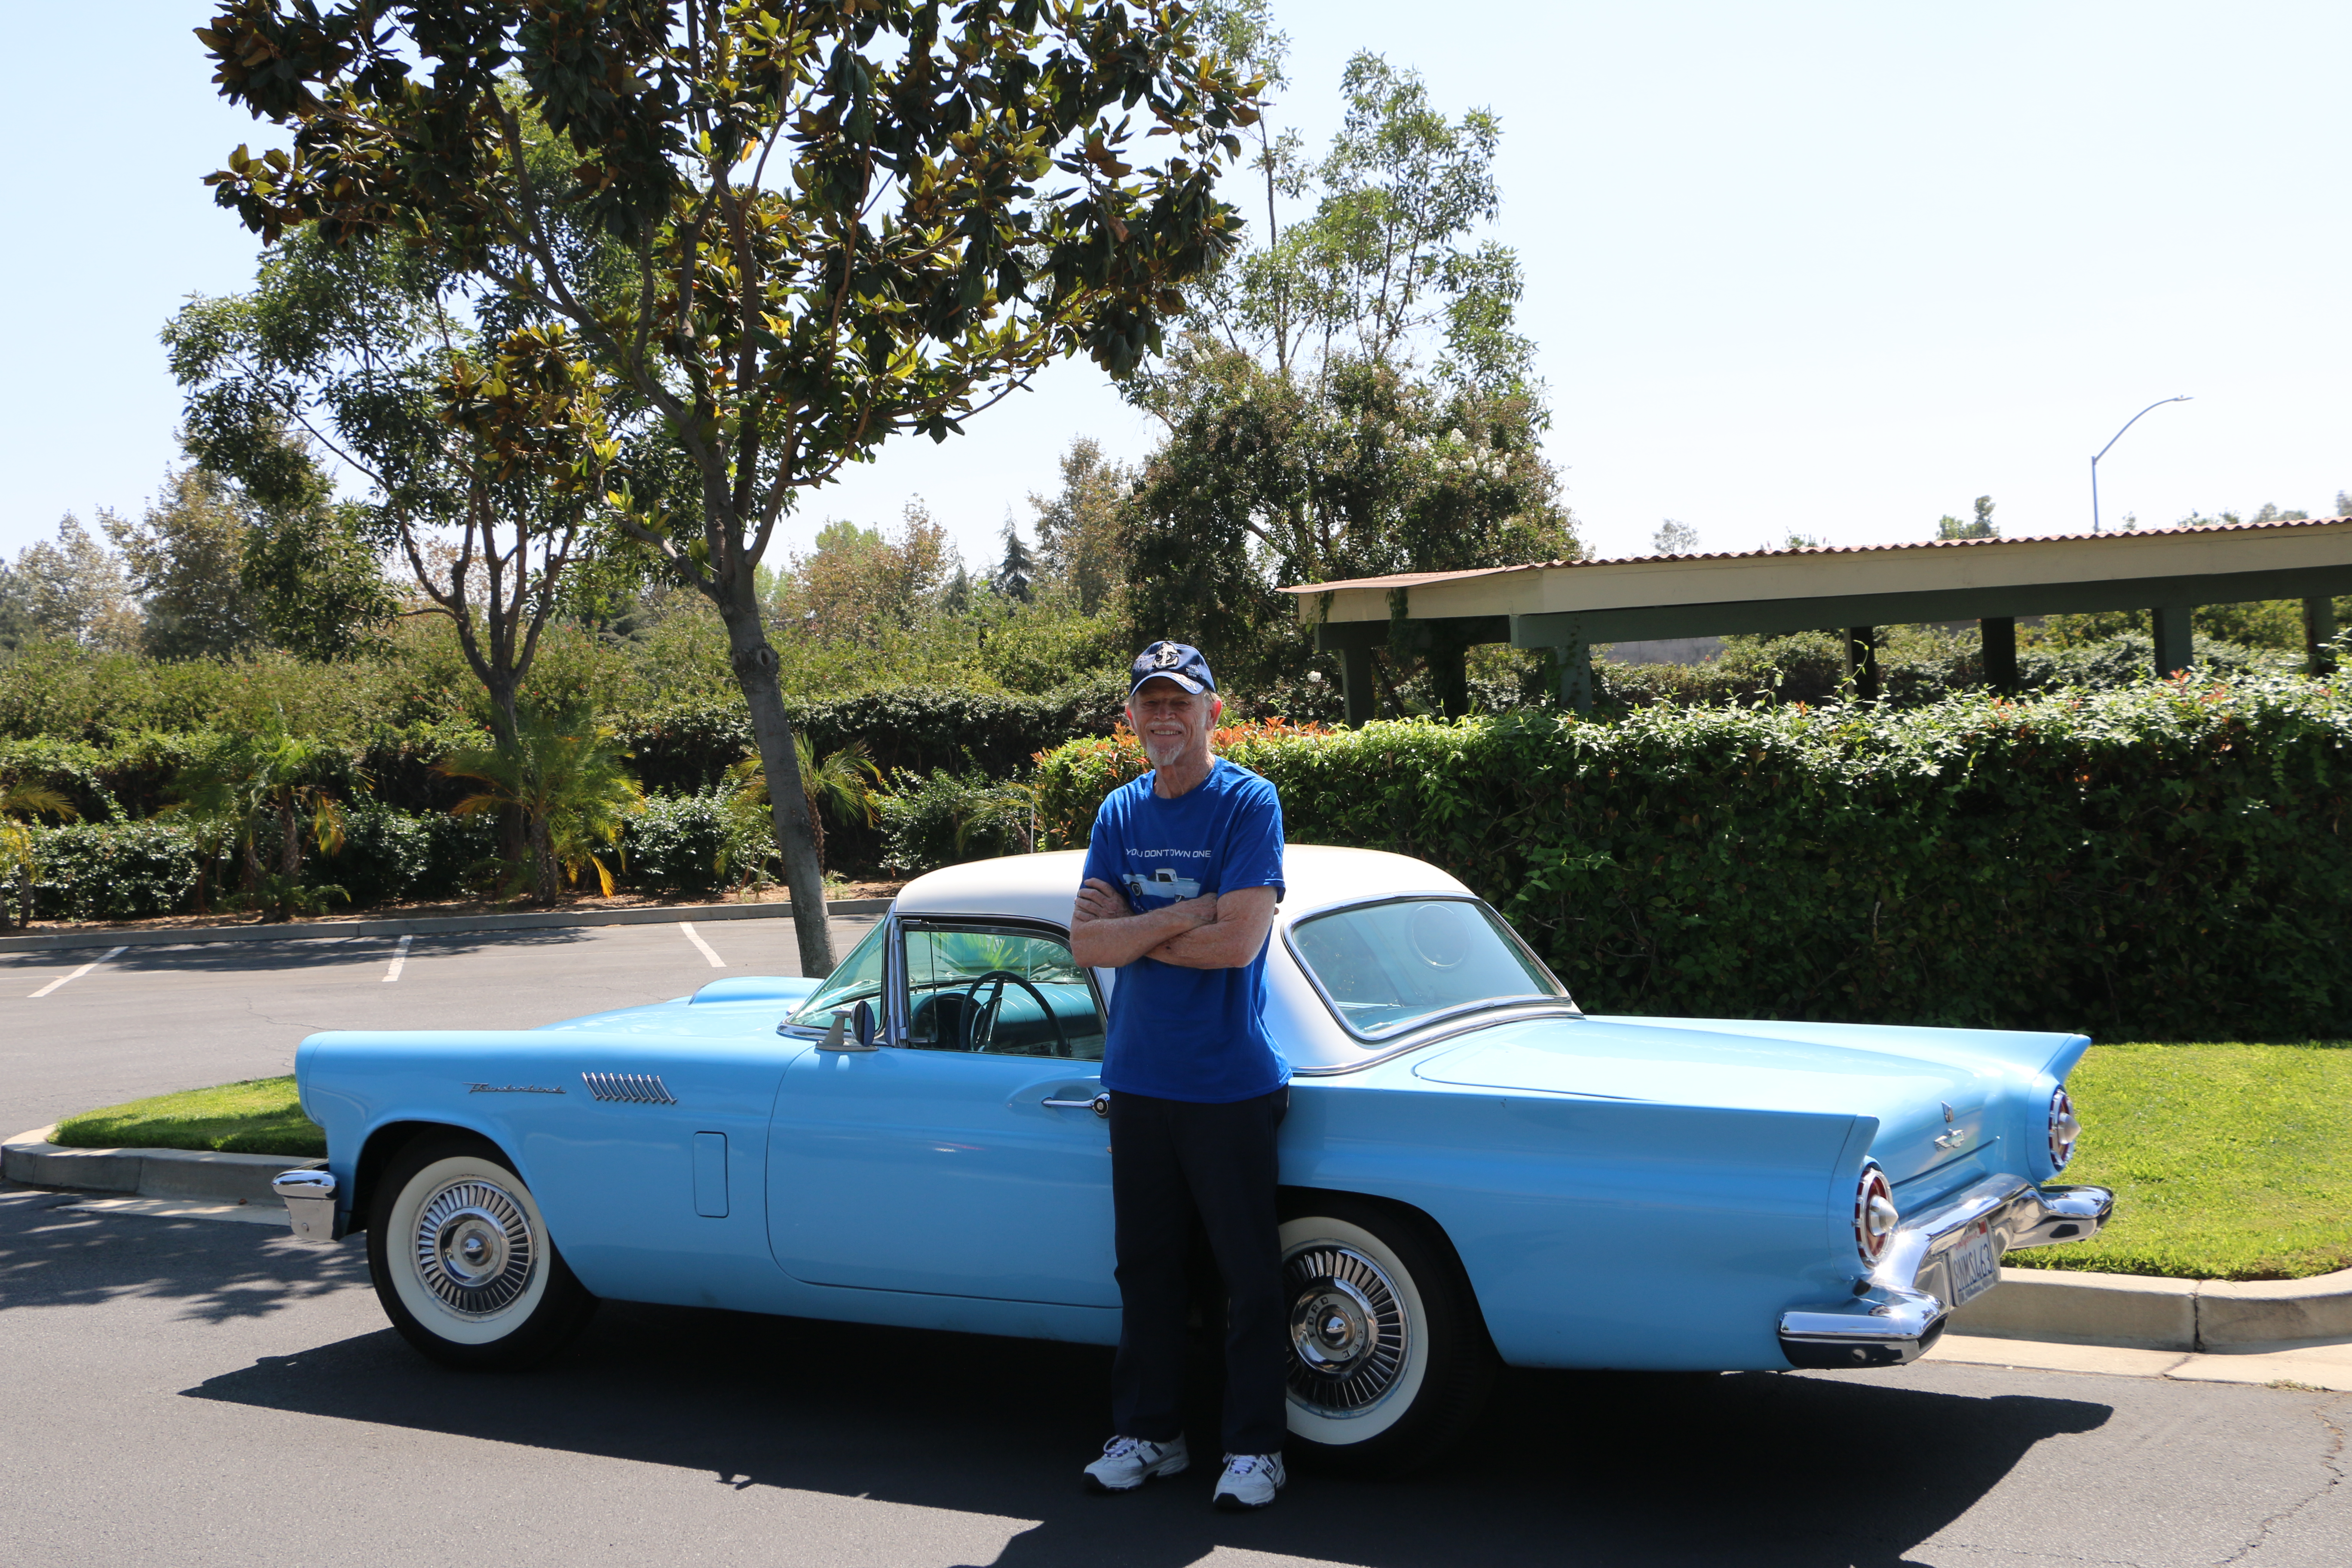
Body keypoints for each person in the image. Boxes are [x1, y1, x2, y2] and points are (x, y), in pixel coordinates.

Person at [1069, 640, 1291, 1512]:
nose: (1164, 717)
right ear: (1131, 717)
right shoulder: (1119, 812)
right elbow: (1088, 944)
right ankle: (1150, 1434)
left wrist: (1146, 923)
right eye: (1148, 704)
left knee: (1246, 1276)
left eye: (1179, 703)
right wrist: (1193, 909)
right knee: (1147, 1268)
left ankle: (1255, 1450)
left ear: (1212, 712)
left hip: (1229, 1080)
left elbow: (1239, 942)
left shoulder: (1247, 803)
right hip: (1139, 1078)